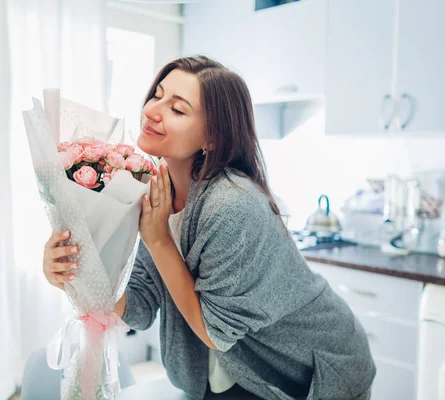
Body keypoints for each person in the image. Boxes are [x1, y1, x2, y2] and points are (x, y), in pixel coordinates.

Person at [43, 56, 375, 400]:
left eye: (178, 109)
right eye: (157, 95)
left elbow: (215, 331)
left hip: (315, 368)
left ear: (211, 138)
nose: (152, 111)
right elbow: (140, 306)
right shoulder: (151, 189)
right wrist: (76, 273)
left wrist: (159, 240)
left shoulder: (232, 206)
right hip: (231, 370)